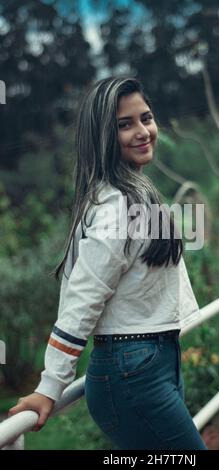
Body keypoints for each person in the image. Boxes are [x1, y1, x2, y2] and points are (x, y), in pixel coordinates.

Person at [8, 77, 207, 450]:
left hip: (155, 360)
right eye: (124, 124)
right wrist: (49, 387)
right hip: (133, 373)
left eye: (146, 118)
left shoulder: (137, 192)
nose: (143, 131)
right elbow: (82, 301)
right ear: (101, 135)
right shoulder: (115, 206)